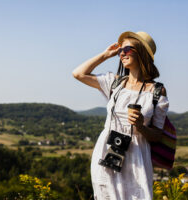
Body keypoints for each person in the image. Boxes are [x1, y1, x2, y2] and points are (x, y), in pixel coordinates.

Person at [72, 31, 169, 200]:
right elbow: (78, 73)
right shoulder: (115, 83)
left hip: (137, 159)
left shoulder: (157, 91)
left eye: (128, 49)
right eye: (120, 51)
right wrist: (105, 54)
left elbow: (157, 135)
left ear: (142, 52)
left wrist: (141, 127)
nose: (122, 53)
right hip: (107, 153)